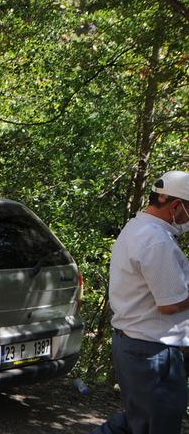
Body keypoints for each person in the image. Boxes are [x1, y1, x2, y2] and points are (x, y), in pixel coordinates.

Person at [93, 170, 189, 434]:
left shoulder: (137, 227)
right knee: (158, 424)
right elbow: (170, 304)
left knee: (138, 419)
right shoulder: (156, 241)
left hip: (135, 345)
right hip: (152, 350)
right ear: (175, 206)